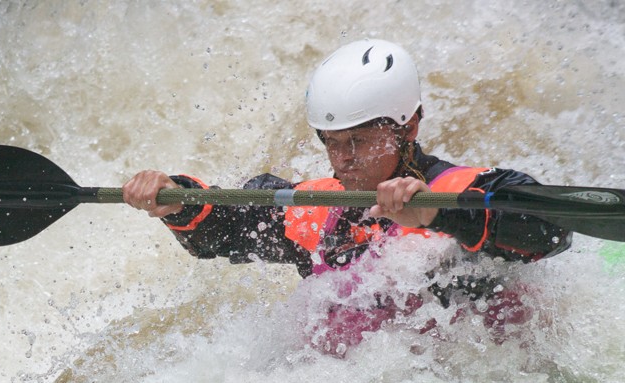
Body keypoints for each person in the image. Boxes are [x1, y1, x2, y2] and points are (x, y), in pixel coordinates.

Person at [122, 39, 571, 280]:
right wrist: (179, 201)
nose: (343, 160)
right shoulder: (323, 209)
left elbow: (551, 229)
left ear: (409, 127)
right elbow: (234, 227)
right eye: (331, 142)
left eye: (358, 140)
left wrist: (438, 215)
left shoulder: (458, 190)